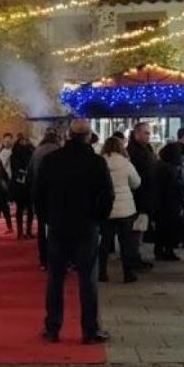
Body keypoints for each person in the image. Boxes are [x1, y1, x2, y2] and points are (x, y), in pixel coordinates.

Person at [35, 119, 114, 344]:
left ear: (68, 135)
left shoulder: (52, 160)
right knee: (87, 279)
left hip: (58, 224)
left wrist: (47, 218)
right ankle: (89, 330)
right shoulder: (96, 162)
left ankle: (53, 327)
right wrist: (99, 219)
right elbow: (107, 195)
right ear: (88, 136)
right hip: (87, 225)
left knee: (55, 278)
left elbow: (38, 194)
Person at [100, 136, 141, 283]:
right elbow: (136, 182)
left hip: (106, 208)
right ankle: (128, 274)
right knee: (126, 242)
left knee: (105, 242)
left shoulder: (100, 162)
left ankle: (101, 273)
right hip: (125, 209)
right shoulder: (126, 163)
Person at [28, 130, 61, 268]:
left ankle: (43, 258)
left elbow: (30, 174)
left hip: (39, 193)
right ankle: (57, 257)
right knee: (58, 227)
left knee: (42, 226)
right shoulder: (59, 151)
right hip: (56, 194)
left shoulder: (37, 152)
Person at [125, 122, 156, 270]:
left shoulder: (146, 149)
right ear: (136, 134)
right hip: (138, 196)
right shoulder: (133, 151)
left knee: (139, 228)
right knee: (135, 229)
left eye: (149, 133)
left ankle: (135, 256)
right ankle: (133, 258)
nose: (148, 136)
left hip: (145, 194)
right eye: (146, 133)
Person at [153, 143, 184, 262]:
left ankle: (159, 250)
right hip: (171, 203)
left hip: (159, 202)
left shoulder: (158, 165)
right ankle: (168, 251)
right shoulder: (172, 168)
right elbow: (176, 186)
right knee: (170, 228)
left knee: (160, 227)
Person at [9, 134, 36, 239]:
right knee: (19, 208)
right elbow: (14, 168)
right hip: (19, 184)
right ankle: (20, 232)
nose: (23, 143)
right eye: (22, 141)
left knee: (30, 209)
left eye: (25, 140)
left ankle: (28, 230)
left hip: (28, 184)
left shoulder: (30, 152)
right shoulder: (14, 154)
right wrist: (23, 172)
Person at [0, 133, 15, 233]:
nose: (7, 142)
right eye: (6, 141)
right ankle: (9, 226)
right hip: (4, 180)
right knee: (3, 203)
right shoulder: (0, 153)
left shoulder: (15, 152)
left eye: (9, 140)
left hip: (14, 179)